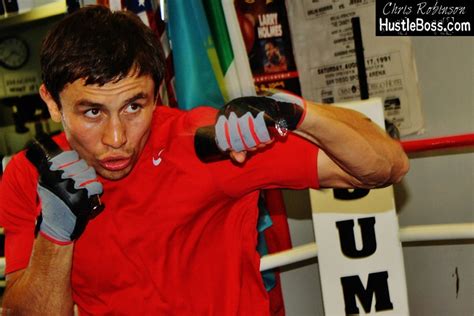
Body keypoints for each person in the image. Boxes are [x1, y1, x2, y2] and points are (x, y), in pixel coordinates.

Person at [0, 6, 409, 315]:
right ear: (52, 102)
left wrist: (299, 113)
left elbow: (387, 165)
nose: (116, 137)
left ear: (157, 92)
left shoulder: (209, 145)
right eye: (92, 112)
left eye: (133, 106)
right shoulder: (28, 175)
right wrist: (55, 237)